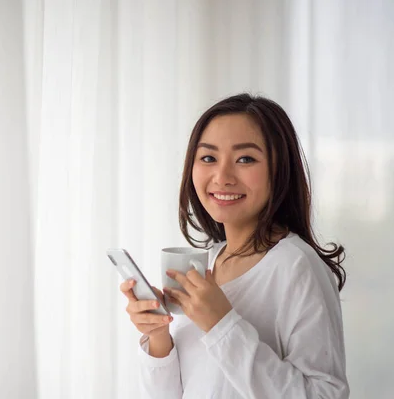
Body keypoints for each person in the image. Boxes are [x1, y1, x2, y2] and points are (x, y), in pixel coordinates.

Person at [120, 93, 349, 398]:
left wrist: (222, 325)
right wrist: (159, 337)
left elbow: (325, 393)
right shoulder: (208, 262)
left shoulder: (296, 266)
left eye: (245, 159)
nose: (222, 176)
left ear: (279, 170)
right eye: (208, 158)